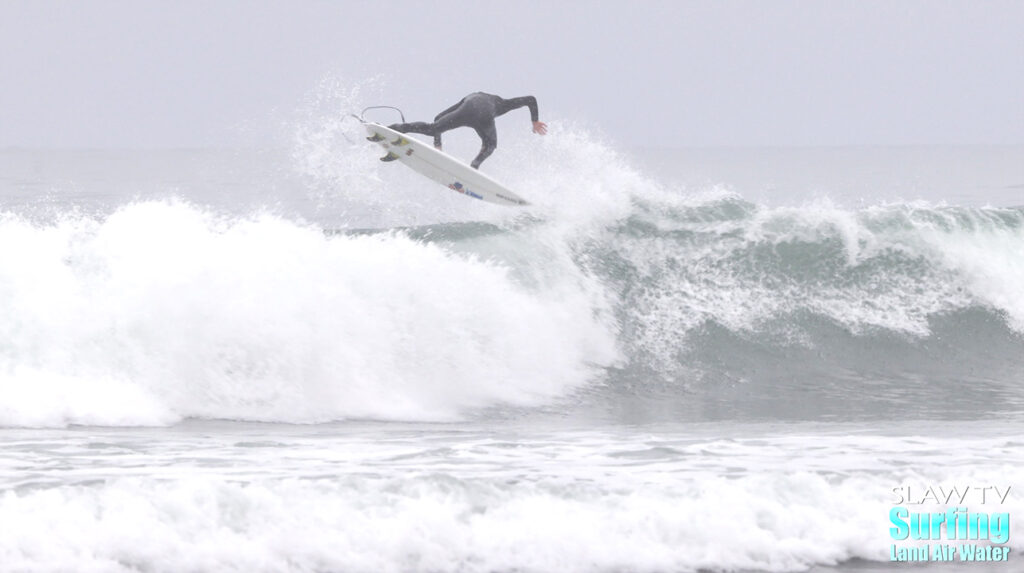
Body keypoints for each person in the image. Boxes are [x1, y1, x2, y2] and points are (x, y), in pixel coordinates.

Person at [386, 92, 547, 169]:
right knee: (490, 146)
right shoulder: (502, 104)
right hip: (484, 115)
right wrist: (534, 121)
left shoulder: (469, 97)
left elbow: (438, 117)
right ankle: (475, 165)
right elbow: (530, 99)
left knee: (432, 128)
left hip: (467, 109)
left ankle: (401, 128)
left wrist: (437, 143)